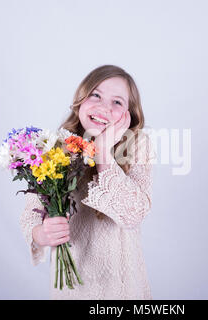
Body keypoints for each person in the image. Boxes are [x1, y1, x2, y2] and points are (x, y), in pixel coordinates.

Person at [19, 64, 156, 299]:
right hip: (71, 288)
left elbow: (133, 214)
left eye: (117, 102)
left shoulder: (137, 146)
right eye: (96, 95)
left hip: (120, 289)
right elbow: (30, 214)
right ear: (81, 98)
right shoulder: (56, 148)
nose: (103, 107)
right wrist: (41, 233)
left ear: (128, 115)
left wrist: (103, 152)